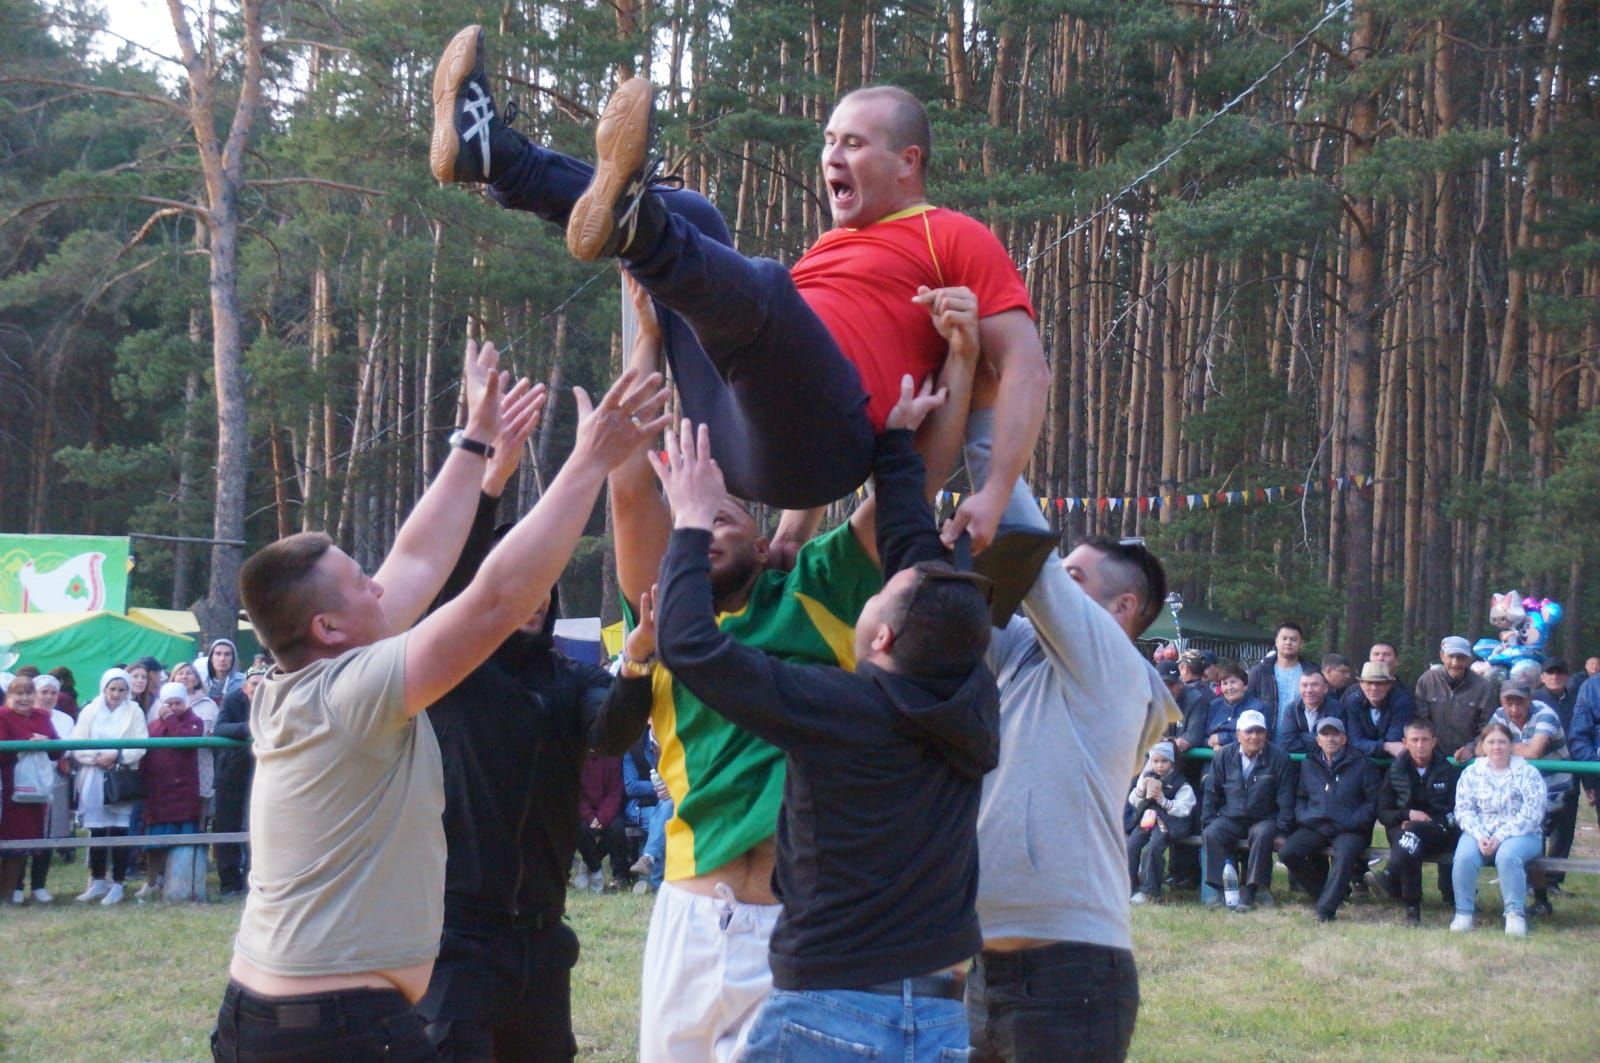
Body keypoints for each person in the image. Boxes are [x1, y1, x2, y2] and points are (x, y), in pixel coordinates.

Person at [210, 338, 668, 1061]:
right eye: (362, 580)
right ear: (328, 627)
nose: (381, 585)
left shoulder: (309, 674)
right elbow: (495, 598)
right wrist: (587, 463)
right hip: (337, 1028)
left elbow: (422, 558)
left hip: (275, 1014)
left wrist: (475, 439)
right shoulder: (353, 691)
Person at [431, 26, 1048, 551]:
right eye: (829, 140)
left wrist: (993, 494)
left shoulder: (950, 235)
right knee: (693, 215)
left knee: (765, 292)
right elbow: (792, 369)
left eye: (854, 144)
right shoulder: (831, 250)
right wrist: (791, 531)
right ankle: (499, 159)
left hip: (829, 449)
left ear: (907, 162)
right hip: (733, 434)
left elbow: (1025, 366)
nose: (831, 155)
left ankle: (639, 229)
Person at [593, 282, 915, 1062]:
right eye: (694, 522)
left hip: (799, 927)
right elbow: (631, 486)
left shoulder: (813, 595)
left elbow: (898, 503)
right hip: (690, 918)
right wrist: (647, 336)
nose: (705, 530)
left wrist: (919, 404)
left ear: (764, 532)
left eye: (725, 515)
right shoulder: (664, 618)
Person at [648, 385, 998, 1062]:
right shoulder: (973, 701)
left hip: (830, 1009)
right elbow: (911, 551)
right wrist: (896, 445)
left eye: (880, 597)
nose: (878, 586)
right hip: (937, 1016)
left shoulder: (840, 710)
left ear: (886, 641)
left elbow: (691, 646)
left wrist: (690, 522)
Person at [414, 395, 655, 1062]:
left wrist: (636, 661)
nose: (536, 593)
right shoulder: (454, 670)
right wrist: (490, 484)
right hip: (457, 938)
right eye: (519, 581)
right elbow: (448, 582)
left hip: (545, 937)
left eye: (545, 581)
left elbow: (610, 733)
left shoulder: (572, 677)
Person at [961, 419, 1174, 1063]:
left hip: (1070, 972)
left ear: (1122, 610)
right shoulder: (1023, 654)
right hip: (980, 967)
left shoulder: (1113, 665)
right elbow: (939, 603)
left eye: (1073, 578)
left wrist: (978, 413)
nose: (1050, 584)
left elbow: (1024, 548)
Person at [1276, 717, 1379, 923]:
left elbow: (1373, 803)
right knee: (1288, 852)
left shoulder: (1363, 764)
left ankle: (1325, 911)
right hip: (1317, 825)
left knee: (1344, 855)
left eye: (1335, 734)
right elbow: (1301, 798)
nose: (1330, 739)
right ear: (1318, 739)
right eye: (1325, 734)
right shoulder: (1308, 763)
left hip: (1351, 829)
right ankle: (1332, 894)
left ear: (1344, 738)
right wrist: (1307, 817)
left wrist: (1352, 821)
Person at [1451, 722, 1547, 936]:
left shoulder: (1527, 773)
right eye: (1491, 742)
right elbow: (1464, 810)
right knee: (1464, 857)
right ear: (1483, 746)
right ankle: (1463, 913)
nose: (1497, 747)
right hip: (1480, 832)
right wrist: (1479, 835)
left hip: (1522, 833)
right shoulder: (1471, 773)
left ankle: (1514, 914)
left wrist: (1501, 836)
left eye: (1502, 742)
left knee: (1507, 856)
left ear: (1511, 745)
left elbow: (1533, 813)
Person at [1201, 709, 1296, 913]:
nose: (1255, 736)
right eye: (1249, 731)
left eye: (1260, 731)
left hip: (1264, 818)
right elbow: (1211, 792)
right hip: (1231, 817)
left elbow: (1286, 799)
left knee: (1262, 834)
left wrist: (1282, 830)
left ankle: (1252, 891)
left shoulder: (1280, 757)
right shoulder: (1224, 755)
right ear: (1238, 735)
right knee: (1212, 832)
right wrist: (1209, 820)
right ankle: (1219, 892)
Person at [71, 668, 149, 905]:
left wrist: (116, 755)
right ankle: (97, 880)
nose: (116, 694)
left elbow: (140, 744)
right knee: (96, 830)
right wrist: (97, 757)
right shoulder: (90, 710)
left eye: (122, 689)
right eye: (112, 689)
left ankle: (117, 883)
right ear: (104, 689)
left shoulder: (134, 711)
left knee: (118, 829)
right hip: (94, 775)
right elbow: (77, 742)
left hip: (120, 777)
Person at [1373, 719, 1459, 924]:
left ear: (1434, 742)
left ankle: (1395, 881)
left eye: (1425, 740)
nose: (1420, 745)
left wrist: (1424, 822)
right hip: (1402, 828)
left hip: (1440, 831)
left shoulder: (1448, 770)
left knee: (1411, 835)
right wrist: (1407, 815)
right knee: (1410, 841)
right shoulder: (1395, 771)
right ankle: (1411, 906)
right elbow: (1383, 812)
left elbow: (1458, 810)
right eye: (1415, 740)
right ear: (1405, 743)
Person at [138, 681, 205, 900]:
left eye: (177, 703)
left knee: (183, 841)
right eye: (169, 704)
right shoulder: (153, 726)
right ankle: (152, 882)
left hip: (183, 793)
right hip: (159, 792)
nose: (174, 707)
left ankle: (179, 883)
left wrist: (169, 718)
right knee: (155, 842)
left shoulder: (195, 722)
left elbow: (184, 740)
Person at [1, 675, 61, 904]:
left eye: (28, 693)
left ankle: (9, 894)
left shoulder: (43, 716)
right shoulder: (2, 716)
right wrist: (28, 742)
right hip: (7, 787)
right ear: (9, 696)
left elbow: (58, 750)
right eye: (19, 693)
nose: (24, 698)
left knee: (23, 842)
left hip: (35, 790)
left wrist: (46, 743)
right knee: (7, 839)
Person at [212, 667, 262, 898]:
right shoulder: (233, 700)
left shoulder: (277, 700)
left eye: (263, 684)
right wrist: (249, 729)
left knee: (260, 827)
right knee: (227, 824)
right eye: (254, 684)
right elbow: (220, 728)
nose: (259, 688)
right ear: (245, 688)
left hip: (264, 772)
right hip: (231, 772)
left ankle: (255, 881)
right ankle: (229, 883)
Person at [1126, 742, 1196, 906]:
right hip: (1148, 819)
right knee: (1131, 845)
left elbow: (1184, 809)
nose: (1159, 766)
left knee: (1153, 848)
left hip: (1170, 823)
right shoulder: (1147, 776)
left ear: (1171, 762)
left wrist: (1164, 801)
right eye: (1155, 761)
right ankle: (1129, 887)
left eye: (1164, 761)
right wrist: (1141, 790)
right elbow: (1133, 801)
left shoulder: (1181, 784)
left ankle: (1150, 891)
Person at [1414, 636, 1498, 763]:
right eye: (1451, 656)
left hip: (1469, 759)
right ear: (1442, 656)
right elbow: (1420, 720)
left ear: (1468, 659)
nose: (1455, 663)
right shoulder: (1427, 681)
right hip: (1432, 758)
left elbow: (1488, 726)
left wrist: (1471, 748)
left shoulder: (1483, 687)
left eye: (1460, 657)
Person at [574, 751, 630, 893]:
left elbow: (615, 792)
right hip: (584, 812)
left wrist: (602, 818)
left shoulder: (613, 756)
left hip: (607, 810)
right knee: (581, 830)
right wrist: (589, 817)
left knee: (617, 829)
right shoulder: (576, 757)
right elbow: (575, 793)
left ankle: (620, 876)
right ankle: (595, 869)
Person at [1248, 623, 1316, 730]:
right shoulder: (1260, 671)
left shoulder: (1312, 671)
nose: (1288, 642)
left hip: (1301, 737)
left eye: (1293, 639)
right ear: (1276, 641)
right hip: (1266, 736)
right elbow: (1249, 703)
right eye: (1284, 638)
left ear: (1301, 644)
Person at [1342, 661, 1411, 758]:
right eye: (1369, 683)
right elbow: (1354, 741)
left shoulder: (1402, 702)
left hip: (1393, 760)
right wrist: (1385, 746)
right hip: (1359, 760)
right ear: (1361, 684)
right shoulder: (1352, 702)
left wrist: (1369, 745)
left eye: (1379, 683)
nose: (1374, 688)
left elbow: (1395, 740)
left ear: (1388, 685)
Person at [1276, 670, 1341, 756]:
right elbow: (1286, 743)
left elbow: (1337, 742)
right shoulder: (1292, 708)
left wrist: (1302, 736)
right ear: (1299, 689)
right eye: (1304, 685)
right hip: (1297, 764)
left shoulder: (1336, 708)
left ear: (1325, 688)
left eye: (1314, 685)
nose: (1309, 690)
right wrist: (1319, 741)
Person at [1205, 664, 1268, 747]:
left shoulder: (1258, 708)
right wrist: (1213, 743)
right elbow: (1203, 736)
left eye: (1233, 682)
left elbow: (1261, 736)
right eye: (1225, 683)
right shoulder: (1214, 705)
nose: (1229, 687)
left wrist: (1222, 739)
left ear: (1245, 686)